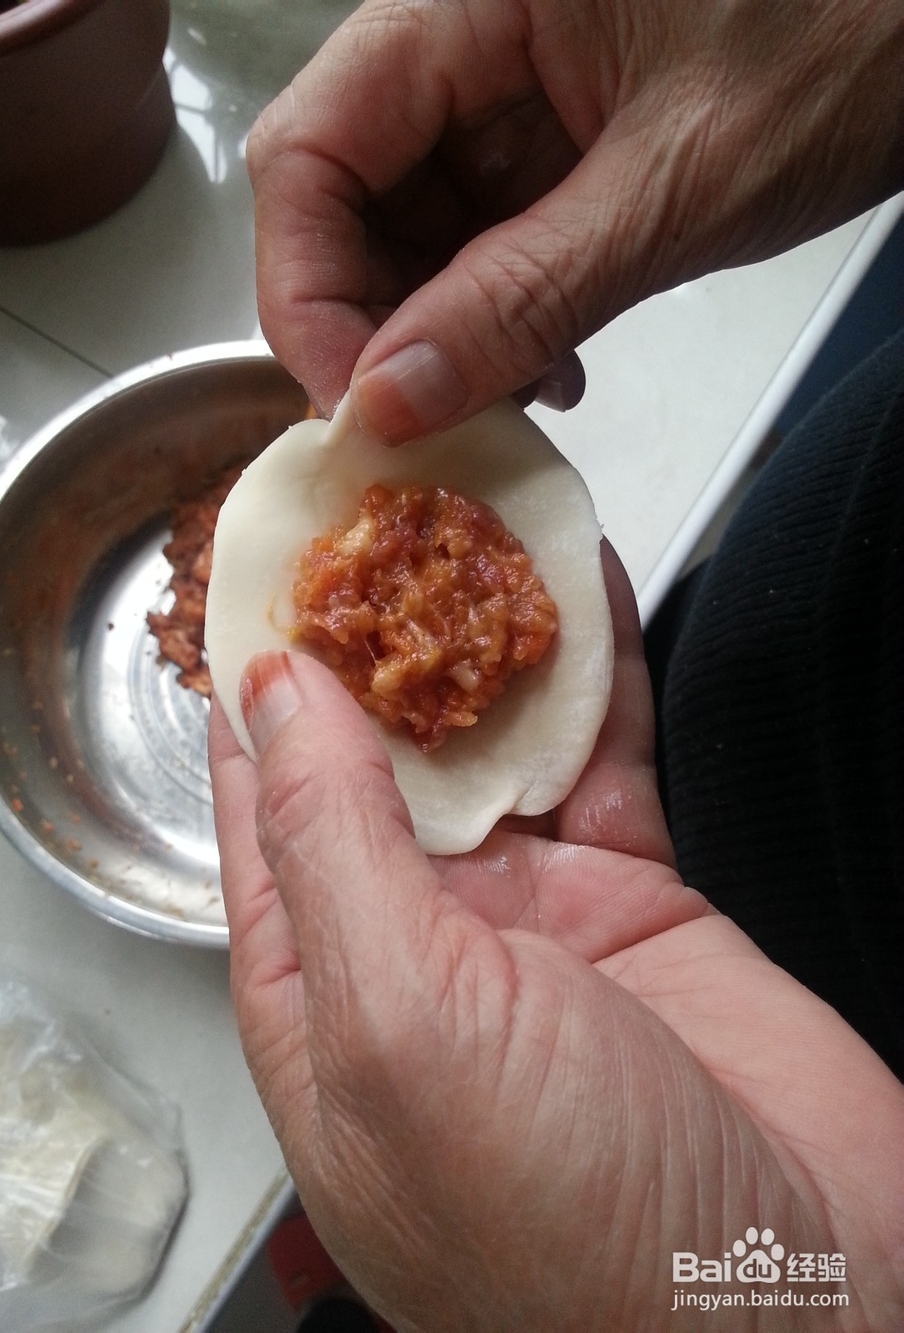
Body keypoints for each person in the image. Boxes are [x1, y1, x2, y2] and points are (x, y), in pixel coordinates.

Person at [209, 0, 904, 1327]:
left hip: (813, 924)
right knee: (703, 693)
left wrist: (816, 1301)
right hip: (808, 697)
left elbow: (806, 1278)